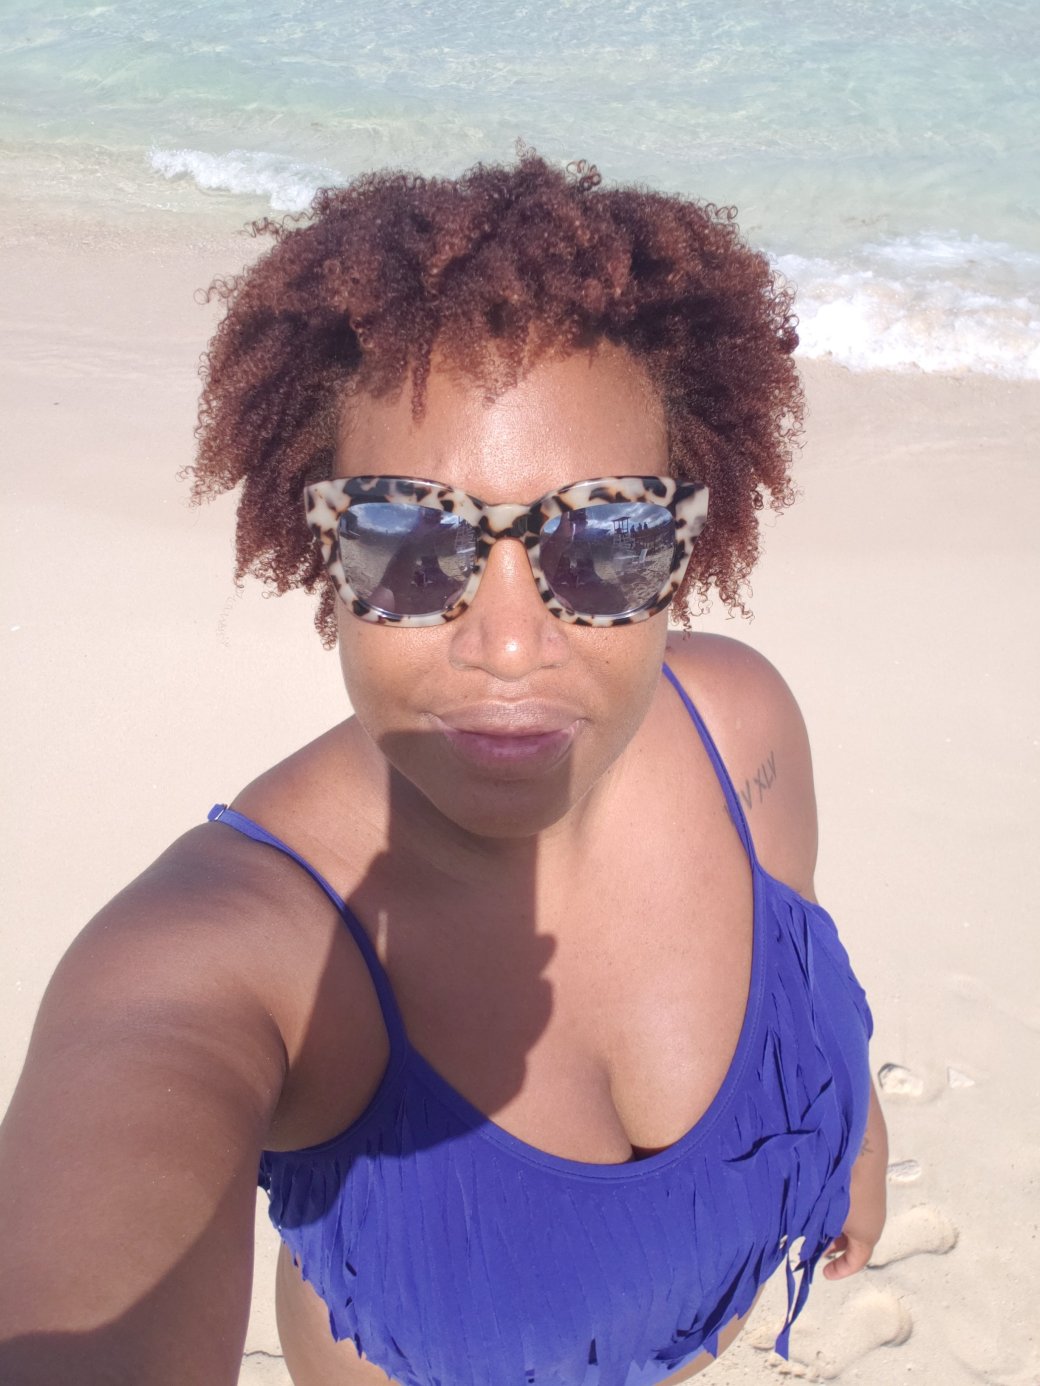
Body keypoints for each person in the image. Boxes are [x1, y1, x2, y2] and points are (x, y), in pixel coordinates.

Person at [0, 153, 887, 1385]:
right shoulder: (228, 954)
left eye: (608, 536)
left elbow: (799, 961)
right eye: (408, 541)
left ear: (684, 542)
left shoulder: (740, 727)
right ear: (324, 552)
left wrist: (850, 1134)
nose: (509, 646)